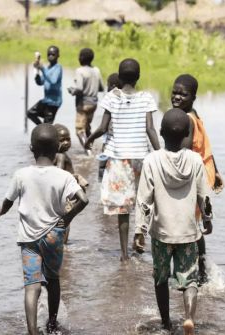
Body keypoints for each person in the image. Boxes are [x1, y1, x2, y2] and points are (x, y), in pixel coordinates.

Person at [0, 124, 88, 335]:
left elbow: (8, 201)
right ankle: (52, 324)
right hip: (54, 235)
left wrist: (1, 210)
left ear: (31, 148)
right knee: (53, 280)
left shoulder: (21, 174)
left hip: (29, 239)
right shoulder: (63, 176)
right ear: (57, 148)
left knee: (31, 285)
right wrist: (67, 218)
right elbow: (83, 199)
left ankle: (32, 331)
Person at [133, 108, 213, 335]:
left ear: (160, 132)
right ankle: (188, 318)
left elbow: (143, 201)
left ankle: (166, 323)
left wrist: (139, 231)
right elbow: (203, 196)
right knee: (190, 280)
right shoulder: (196, 160)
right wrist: (207, 219)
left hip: (161, 234)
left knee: (160, 279)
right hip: (188, 233)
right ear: (187, 134)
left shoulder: (152, 160)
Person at [85, 59, 160, 261]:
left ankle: (125, 254)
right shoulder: (146, 98)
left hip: (119, 159)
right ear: (138, 77)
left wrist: (89, 139)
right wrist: (160, 152)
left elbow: (102, 128)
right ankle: (140, 235)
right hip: (140, 158)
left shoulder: (111, 97)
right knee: (143, 201)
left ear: (119, 77)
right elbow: (150, 129)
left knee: (123, 207)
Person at [171, 74, 224, 285]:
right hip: (204, 172)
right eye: (174, 92)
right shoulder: (194, 114)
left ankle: (188, 270)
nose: (177, 97)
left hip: (195, 177)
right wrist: (216, 172)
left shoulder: (187, 119)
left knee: (187, 224)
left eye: (183, 94)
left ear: (193, 97)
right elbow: (207, 148)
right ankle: (202, 266)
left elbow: (183, 151)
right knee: (194, 223)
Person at [53, 123, 89, 244]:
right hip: (65, 196)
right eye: (62, 140)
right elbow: (59, 173)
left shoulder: (54, 155)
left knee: (59, 221)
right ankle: (63, 245)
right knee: (65, 221)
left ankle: (61, 244)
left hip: (59, 195)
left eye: (68, 139)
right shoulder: (61, 156)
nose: (66, 142)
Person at [67, 48, 105, 154]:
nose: (78, 58)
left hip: (83, 104)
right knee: (87, 128)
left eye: (79, 56)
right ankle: (92, 148)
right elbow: (101, 88)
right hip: (93, 104)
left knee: (79, 130)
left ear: (82, 58)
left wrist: (72, 91)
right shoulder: (96, 70)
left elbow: (79, 88)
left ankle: (88, 151)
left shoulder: (80, 71)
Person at [27, 46, 63, 125]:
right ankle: (42, 128)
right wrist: (36, 71)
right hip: (46, 101)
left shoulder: (58, 68)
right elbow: (40, 82)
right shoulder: (48, 68)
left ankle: (45, 129)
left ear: (58, 56)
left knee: (47, 125)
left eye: (53, 54)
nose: (50, 56)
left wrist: (42, 68)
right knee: (30, 113)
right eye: (49, 54)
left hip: (54, 102)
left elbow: (53, 81)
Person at [96, 73, 121, 182]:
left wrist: (91, 138)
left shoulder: (110, 97)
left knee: (103, 165)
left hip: (109, 141)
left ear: (113, 86)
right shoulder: (125, 98)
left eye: (108, 85)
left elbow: (103, 127)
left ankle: (102, 184)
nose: (106, 88)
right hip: (120, 143)